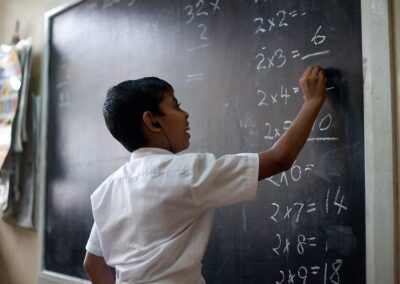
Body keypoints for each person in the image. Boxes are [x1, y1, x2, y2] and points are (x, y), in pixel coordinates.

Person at [83, 65, 327, 284]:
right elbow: (278, 159)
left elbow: (93, 264)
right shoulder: (187, 173)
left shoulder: (106, 191)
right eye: (176, 106)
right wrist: (312, 102)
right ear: (153, 121)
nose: (185, 114)